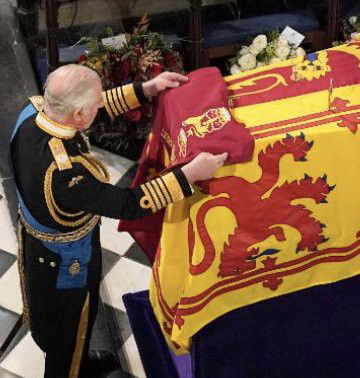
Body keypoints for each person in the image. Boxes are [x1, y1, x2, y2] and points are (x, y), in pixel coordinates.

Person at [9, 64, 227, 377]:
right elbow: (127, 203)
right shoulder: (64, 174)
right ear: (81, 115)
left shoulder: (34, 112)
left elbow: (87, 106)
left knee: (80, 321)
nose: (102, 104)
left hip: (44, 245)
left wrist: (146, 89)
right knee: (68, 334)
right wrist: (188, 175)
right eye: (95, 104)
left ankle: (81, 364)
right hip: (65, 264)